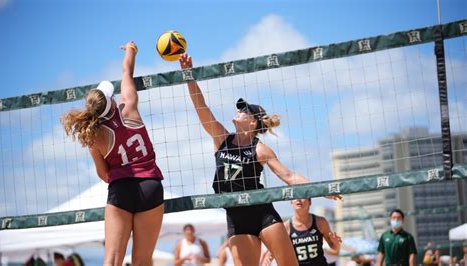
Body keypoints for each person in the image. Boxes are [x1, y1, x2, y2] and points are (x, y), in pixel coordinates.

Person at [179, 53, 341, 266]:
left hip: (261, 211)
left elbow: (289, 176)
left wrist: (321, 189)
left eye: (244, 110)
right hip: (236, 216)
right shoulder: (221, 138)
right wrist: (188, 75)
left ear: (253, 123)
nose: (238, 110)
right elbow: (201, 107)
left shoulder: (260, 149)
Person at [61, 41, 164, 265]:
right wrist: (131, 49)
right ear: (111, 101)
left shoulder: (94, 137)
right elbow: (127, 70)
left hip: (121, 188)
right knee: (142, 260)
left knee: (112, 260)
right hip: (151, 185)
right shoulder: (129, 106)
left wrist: (121, 178)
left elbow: (103, 174)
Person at [262, 198, 342, 266]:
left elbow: (335, 249)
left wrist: (336, 243)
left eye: (302, 197)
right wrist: (267, 260)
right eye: (295, 197)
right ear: (291, 202)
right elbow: (272, 252)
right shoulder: (286, 227)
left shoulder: (320, 222)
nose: (299, 200)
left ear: (310, 201)